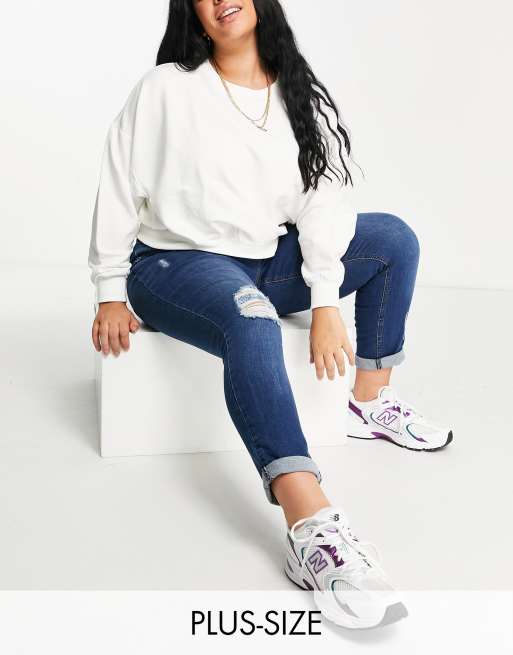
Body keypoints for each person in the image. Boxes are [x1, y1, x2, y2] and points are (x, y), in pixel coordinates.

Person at [88, 0, 453, 629]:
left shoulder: (294, 91)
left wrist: (324, 298)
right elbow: (120, 182)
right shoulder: (167, 88)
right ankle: (310, 526)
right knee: (252, 319)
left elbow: (322, 203)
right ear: (192, 12)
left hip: (262, 258)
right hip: (173, 264)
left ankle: (369, 401)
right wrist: (110, 289)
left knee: (392, 238)